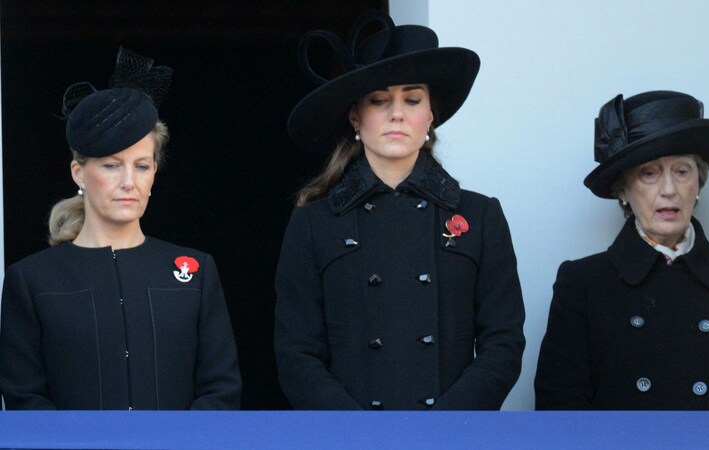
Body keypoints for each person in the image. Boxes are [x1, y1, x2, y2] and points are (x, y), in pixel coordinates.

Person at [275, 11, 525, 410]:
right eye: (379, 100)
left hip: (451, 438)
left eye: (412, 99)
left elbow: (503, 343)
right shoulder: (313, 224)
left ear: (430, 115)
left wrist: (444, 427)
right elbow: (296, 353)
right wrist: (356, 432)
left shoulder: (480, 217)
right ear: (356, 116)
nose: (397, 114)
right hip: (350, 440)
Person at [0, 47, 241, 410]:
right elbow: (26, 400)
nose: (129, 181)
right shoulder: (31, 281)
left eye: (142, 166)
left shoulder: (196, 272)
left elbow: (220, 391)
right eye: (112, 166)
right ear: (78, 173)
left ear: (155, 173)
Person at [534, 90, 709, 410]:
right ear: (624, 190)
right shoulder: (583, 284)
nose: (669, 190)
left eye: (682, 171)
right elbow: (561, 412)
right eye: (649, 173)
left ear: (698, 184)